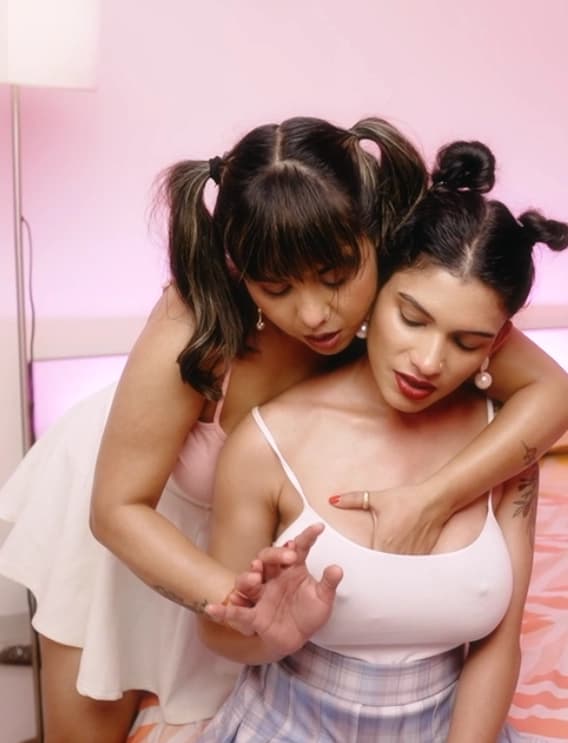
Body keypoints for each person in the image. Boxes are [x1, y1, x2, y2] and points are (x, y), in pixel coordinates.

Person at [0, 118, 565, 743]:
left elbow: (552, 394)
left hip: (254, 541)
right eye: (276, 288)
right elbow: (116, 510)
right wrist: (241, 601)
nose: (315, 314)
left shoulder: (414, 293)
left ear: (375, 239)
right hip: (138, 513)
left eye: (336, 279)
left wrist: (433, 498)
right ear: (241, 271)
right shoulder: (197, 325)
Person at [196, 140, 568, 742]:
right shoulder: (266, 443)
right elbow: (218, 634)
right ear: (373, 291)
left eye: (467, 342)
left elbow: (499, 646)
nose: (429, 361)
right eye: (412, 319)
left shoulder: (503, 442)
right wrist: (270, 634)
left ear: (498, 344)